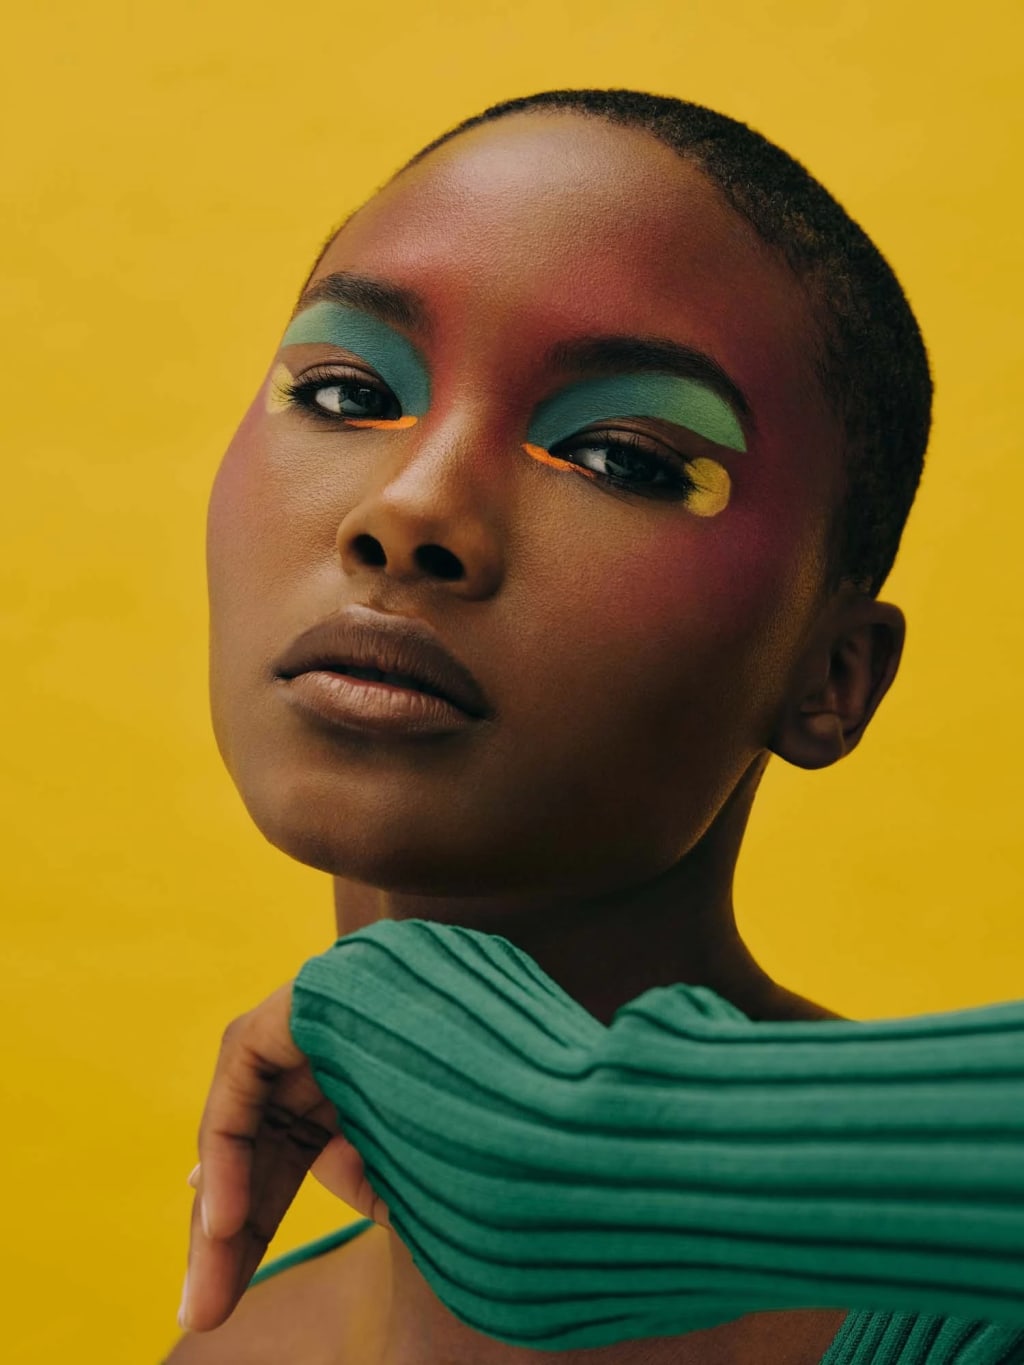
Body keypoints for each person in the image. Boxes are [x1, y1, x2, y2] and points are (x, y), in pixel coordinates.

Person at [166, 89, 1024, 1364]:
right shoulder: (239, 1345)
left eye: (624, 457)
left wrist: (579, 1146)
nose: (410, 510)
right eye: (347, 392)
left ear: (831, 675)